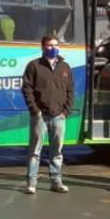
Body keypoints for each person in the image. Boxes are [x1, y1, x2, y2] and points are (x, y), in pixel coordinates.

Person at [21, 34, 74, 194]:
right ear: (43, 47)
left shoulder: (65, 67)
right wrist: (35, 110)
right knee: (35, 151)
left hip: (59, 116)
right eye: (50, 45)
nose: (53, 48)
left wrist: (66, 111)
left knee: (56, 151)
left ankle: (56, 181)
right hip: (40, 116)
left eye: (56, 45)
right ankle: (31, 183)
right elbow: (27, 89)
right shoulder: (34, 66)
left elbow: (70, 90)